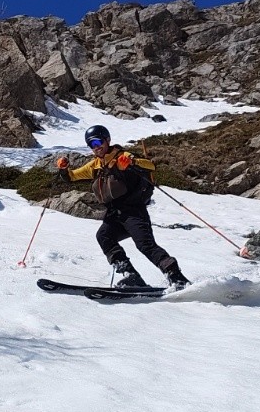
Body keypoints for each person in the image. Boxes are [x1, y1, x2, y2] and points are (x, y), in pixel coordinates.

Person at [57, 124, 190, 289]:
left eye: (98, 142)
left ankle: (176, 277)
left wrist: (130, 162)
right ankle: (130, 276)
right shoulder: (95, 166)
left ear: (107, 140)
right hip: (115, 214)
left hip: (133, 212)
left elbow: (150, 165)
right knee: (104, 236)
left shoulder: (121, 156)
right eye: (92, 145)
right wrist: (64, 170)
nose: (96, 147)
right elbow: (72, 177)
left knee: (145, 245)